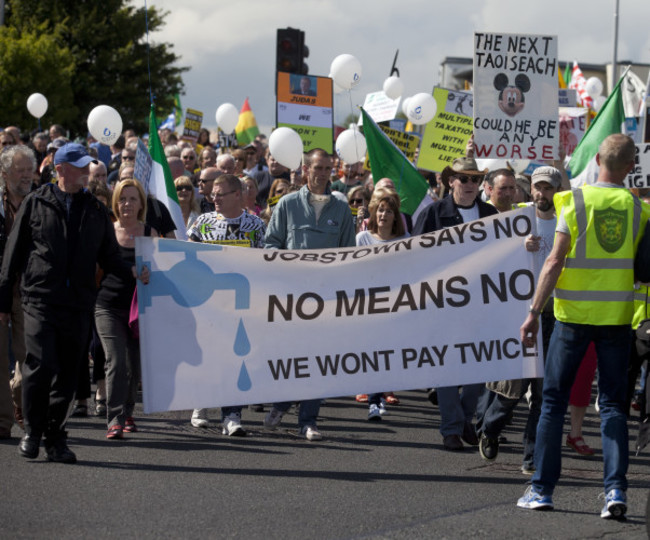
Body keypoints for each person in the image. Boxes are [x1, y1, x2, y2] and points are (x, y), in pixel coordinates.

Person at [517, 134, 650, 519]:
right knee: (611, 406)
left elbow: (554, 261)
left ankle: (541, 489)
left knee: (553, 403)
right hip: (618, 321)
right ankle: (614, 492)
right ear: (628, 168)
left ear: (595, 159)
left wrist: (532, 310)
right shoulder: (639, 210)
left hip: (572, 319)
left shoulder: (573, 201)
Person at [0, 143, 148, 463]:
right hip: (40, 298)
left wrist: (135, 272)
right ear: (61, 169)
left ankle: (55, 437)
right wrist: (2, 300)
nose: (85, 172)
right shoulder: (36, 203)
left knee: (68, 373)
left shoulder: (95, 211)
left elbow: (110, 257)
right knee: (39, 366)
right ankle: (34, 431)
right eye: (79, 167)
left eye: (87, 166)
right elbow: (13, 254)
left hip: (79, 303)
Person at [263, 148, 355, 440]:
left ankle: (308, 421)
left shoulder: (341, 209)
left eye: (328, 169)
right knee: (293, 357)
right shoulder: (288, 204)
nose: (323, 173)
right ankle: (281, 402)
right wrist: (290, 265)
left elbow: (349, 255)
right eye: (318, 168)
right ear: (305, 169)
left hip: (325, 298)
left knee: (317, 360)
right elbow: (271, 245)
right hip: (292, 297)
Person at [476, 166, 562, 473]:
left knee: (542, 393)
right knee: (513, 389)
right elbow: (490, 257)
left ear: (557, 190)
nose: (542, 193)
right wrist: (517, 246)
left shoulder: (567, 221)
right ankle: (491, 427)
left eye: (548, 188)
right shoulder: (518, 221)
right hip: (521, 313)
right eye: (537, 188)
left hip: (554, 315)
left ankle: (531, 459)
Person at [413, 156, 497, 451]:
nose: (471, 184)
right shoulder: (434, 213)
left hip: (480, 301)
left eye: (475, 179)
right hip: (443, 303)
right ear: (451, 181)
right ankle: (451, 427)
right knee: (447, 367)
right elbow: (414, 256)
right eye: (465, 179)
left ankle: (463, 417)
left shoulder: (489, 212)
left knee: (478, 363)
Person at [188, 174, 266, 435]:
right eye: (213, 194)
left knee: (236, 357)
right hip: (208, 303)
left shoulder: (255, 225)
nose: (214, 198)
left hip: (241, 304)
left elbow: (265, 263)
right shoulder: (202, 222)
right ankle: (201, 402)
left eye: (220, 194)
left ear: (237, 195)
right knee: (207, 355)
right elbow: (187, 258)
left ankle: (231, 415)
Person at [96, 179, 157, 439]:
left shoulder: (150, 233)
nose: (127, 204)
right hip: (107, 306)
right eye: (122, 198)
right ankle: (114, 419)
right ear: (115, 203)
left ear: (141, 203)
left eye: (133, 199)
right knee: (117, 361)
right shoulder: (107, 231)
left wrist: (149, 274)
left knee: (135, 367)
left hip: (139, 310)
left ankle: (128, 412)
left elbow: (163, 271)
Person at [356, 188, 410, 420]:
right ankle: (374, 402)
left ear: (395, 216)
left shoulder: (405, 241)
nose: (384, 215)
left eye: (389, 211)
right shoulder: (362, 238)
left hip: (395, 304)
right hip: (368, 303)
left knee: (387, 353)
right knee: (372, 352)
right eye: (380, 210)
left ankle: (378, 395)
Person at [0, 145, 36, 438]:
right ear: (5, 173)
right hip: (0, 288)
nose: (26, 176)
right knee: (0, 357)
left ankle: (21, 405)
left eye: (29, 170)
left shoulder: (40, 202)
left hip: (28, 289)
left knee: (29, 357)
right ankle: (3, 422)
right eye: (19, 170)